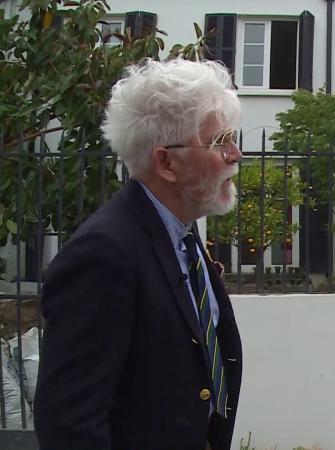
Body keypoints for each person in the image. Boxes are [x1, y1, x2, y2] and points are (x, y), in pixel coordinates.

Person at [34, 59, 244, 450]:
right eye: (220, 142)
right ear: (167, 163)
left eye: (233, 138)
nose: (236, 154)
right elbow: (70, 424)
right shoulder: (104, 255)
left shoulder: (181, 233)